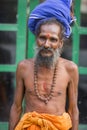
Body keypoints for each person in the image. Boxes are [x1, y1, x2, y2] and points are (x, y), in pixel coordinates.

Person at [9, 0, 79, 130]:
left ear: (60, 43)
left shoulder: (70, 69)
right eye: (42, 38)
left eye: (53, 39)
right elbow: (16, 107)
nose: (47, 44)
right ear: (36, 39)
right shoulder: (23, 67)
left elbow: (73, 110)